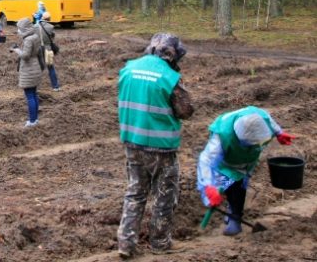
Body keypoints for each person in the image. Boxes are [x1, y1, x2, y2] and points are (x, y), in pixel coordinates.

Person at [116, 33, 194, 258]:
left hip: (132, 141)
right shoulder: (169, 77)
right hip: (160, 146)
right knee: (164, 195)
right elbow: (186, 110)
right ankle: (160, 242)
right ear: (172, 54)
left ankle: (126, 243)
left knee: (135, 192)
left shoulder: (129, 68)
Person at [197, 106, 294, 236]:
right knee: (229, 183)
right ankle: (233, 214)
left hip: (247, 161)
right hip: (227, 161)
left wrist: (279, 133)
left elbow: (270, 122)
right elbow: (206, 161)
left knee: (240, 184)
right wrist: (208, 186)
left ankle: (234, 215)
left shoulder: (261, 117)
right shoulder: (221, 136)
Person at [12, 18, 44, 127]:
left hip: (28, 70)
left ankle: (32, 121)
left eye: (19, 29)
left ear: (24, 29)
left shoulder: (28, 40)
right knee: (34, 94)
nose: (18, 31)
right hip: (36, 68)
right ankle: (35, 119)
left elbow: (25, 56)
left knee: (30, 96)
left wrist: (16, 50)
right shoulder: (35, 36)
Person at [37, 12, 60, 91]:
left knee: (39, 69)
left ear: (42, 18)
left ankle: (36, 87)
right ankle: (55, 86)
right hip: (48, 49)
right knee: (51, 68)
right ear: (49, 19)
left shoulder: (36, 26)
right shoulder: (51, 27)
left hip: (38, 49)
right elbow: (52, 36)